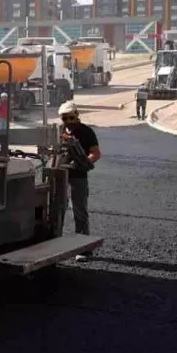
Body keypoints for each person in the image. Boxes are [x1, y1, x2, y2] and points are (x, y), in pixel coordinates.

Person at [58, 101, 101, 261]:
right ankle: (56, 243)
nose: (68, 121)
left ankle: (83, 248)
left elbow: (95, 153)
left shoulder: (86, 132)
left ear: (77, 115)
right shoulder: (60, 131)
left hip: (78, 176)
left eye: (71, 117)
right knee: (57, 209)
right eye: (65, 118)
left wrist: (84, 162)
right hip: (61, 174)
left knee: (79, 211)